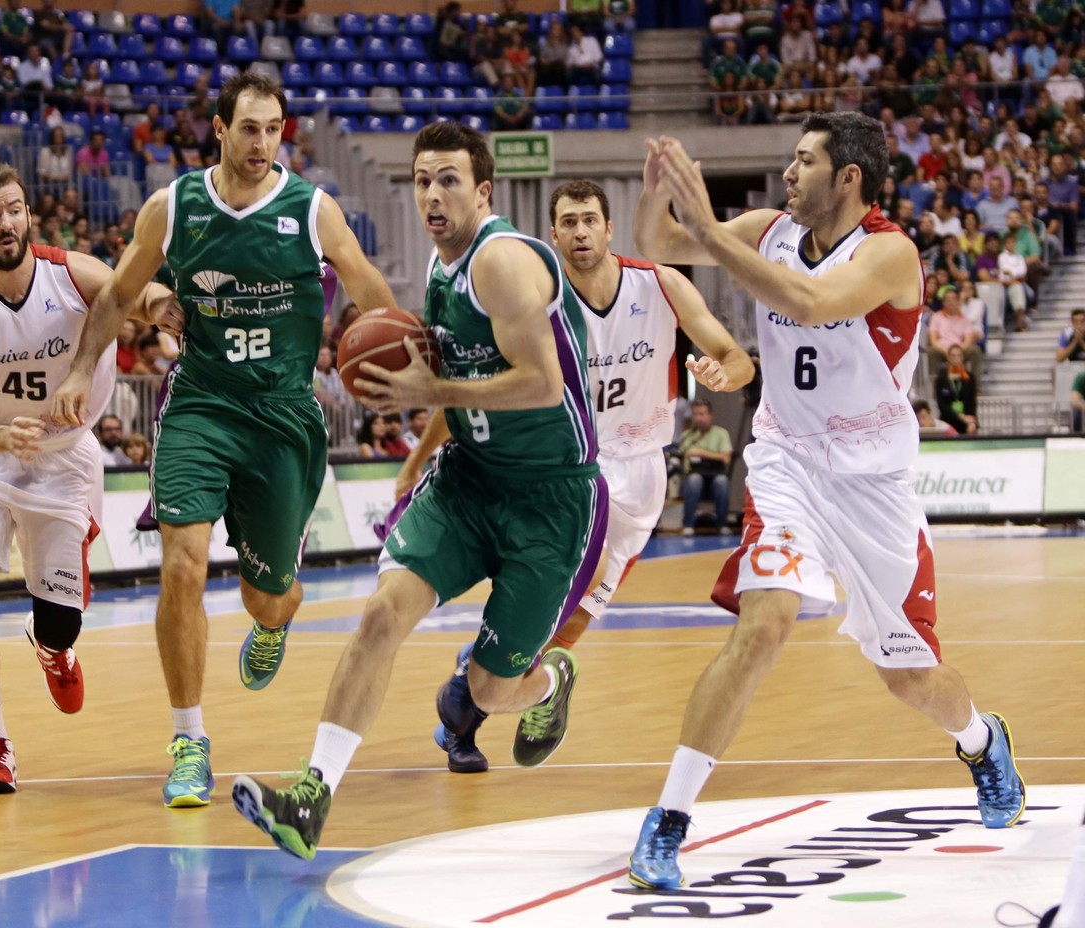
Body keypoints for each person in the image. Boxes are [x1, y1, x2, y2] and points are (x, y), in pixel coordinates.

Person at [627, 113, 1025, 890]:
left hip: (872, 485)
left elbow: (811, 304)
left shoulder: (890, 253)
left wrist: (709, 230)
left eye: (804, 162)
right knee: (765, 621)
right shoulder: (770, 229)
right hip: (787, 462)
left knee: (910, 679)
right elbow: (661, 244)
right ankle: (668, 820)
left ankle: (981, 741)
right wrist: (657, 198)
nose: (788, 174)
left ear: (847, 177)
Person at [230, 121, 605, 860]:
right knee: (379, 616)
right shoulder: (440, 270)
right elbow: (463, 385)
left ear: (484, 190)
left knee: (495, 694)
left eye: (449, 180)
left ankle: (550, 679)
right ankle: (313, 795)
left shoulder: (499, 262)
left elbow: (541, 384)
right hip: (469, 479)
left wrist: (432, 384)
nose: (432, 194)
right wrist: (424, 439)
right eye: (423, 180)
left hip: (550, 498)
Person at [49, 73, 396, 809]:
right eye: (249, 128)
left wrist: (404, 364)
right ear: (219, 128)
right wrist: (83, 368)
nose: (262, 143)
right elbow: (116, 294)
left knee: (267, 599)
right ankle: (188, 741)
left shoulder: (312, 210)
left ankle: (276, 617)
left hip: (282, 418)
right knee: (182, 565)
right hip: (201, 405)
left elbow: (374, 296)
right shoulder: (173, 208)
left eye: (273, 129)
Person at [430, 178, 753, 773]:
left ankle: (479, 687)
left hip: (644, 473)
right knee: (544, 600)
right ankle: (467, 711)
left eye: (590, 220)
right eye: (569, 222)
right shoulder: (537, 296)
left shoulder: (661, 284)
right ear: (553, 235)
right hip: (571, 467)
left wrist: (723, 373)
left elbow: (736, 356)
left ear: (609, 228)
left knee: (573, 620)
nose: (580, 231)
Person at [0, 163, 179, 794]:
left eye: (13, 209)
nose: (5, 222)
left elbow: (131, 293)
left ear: (27, 213)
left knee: (61, 620)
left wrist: (163, 307)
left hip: (62, 457)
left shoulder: (71, 274)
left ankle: (51, 643)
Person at [679, 399, 734, 535]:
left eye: (702, 414)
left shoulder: (721, 433)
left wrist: (701, 453)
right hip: (693, 477)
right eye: (695, 414)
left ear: (710, 415)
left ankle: (722, 524)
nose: (698, 418)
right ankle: (688, 525)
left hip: (715, 476)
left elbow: (726, 458)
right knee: (694, 479)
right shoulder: (687, 436)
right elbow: (680, 458)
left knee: (722, 481)